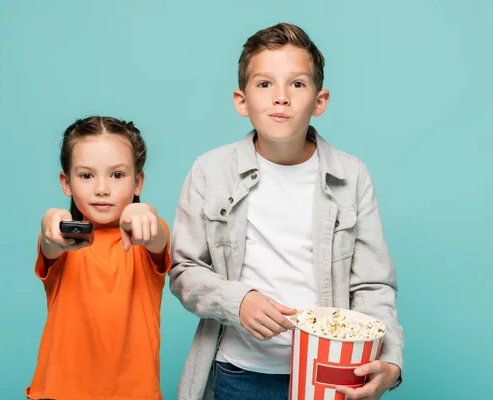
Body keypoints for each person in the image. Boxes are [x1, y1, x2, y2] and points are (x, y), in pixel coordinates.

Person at [169, 23, 403, 400]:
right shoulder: (209, 171)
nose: (281, 97)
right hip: (241, 373)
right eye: (264, 84)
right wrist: (237, 300)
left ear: (319, 100)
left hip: (330, 374)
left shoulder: (352, 175)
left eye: (297, 84)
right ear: (241, 100)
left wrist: (389, 359)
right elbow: (183, 271)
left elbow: (372, 285)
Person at [25, 116, 171, 400]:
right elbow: (51, 242)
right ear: (66, 183)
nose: (102, 188)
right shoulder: (62, 244)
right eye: (86, 175)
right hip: (58, 392)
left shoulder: (146, 239)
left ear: (138, 181)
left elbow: (157, 236)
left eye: (117, 175)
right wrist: (49, 221)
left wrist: (147, 212)